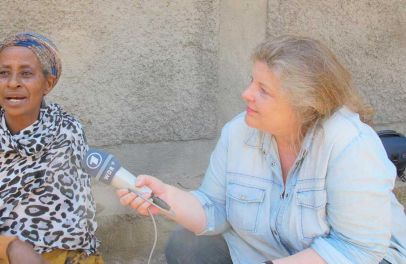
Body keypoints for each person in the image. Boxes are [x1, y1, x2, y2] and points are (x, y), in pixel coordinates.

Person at [117, 35, 406, 264]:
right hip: (267, 254)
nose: (247, 94)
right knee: (187, 247)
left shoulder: (350, 144)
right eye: (251, 81)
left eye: (264, 90)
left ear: (304, 104)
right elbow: (216, 209)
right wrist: (170, 198)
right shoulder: (238, 132)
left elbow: (356, 249)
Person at [0, 32, 103, 264]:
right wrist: (11, 249)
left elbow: (79, 224)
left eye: (26, 73)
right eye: (4, 73)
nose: (13, 83)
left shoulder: (68, 132)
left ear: (48, 83)